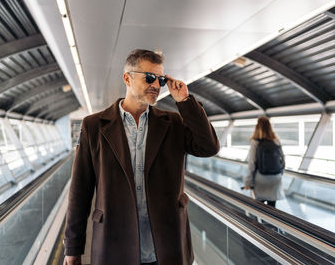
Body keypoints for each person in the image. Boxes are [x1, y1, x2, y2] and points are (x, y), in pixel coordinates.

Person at [63, 49, 219, 265]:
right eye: (149, 77)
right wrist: (72, 248)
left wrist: (185, 101)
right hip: (115, 244)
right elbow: (80, 190)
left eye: (161, 80)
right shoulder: (94, 126)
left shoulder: (172, 123)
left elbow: (208, 146)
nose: (156, 85)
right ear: (127, 78)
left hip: (166, 246)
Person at [243, 116, 285, 208]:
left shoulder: (255, 141)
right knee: (272, 207)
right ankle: (272, 222)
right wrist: (280, 173)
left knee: (259, 207)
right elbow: (282, 159)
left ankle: (259, 222)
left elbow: (252, 163)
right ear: (270, 126)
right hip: (275, 178)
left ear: (257, 126)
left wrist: (248, 182)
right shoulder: (276, 140)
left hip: (261, 178)